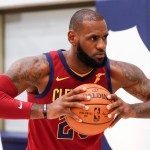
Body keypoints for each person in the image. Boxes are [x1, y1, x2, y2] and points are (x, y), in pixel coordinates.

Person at [0, 8, 149, 150]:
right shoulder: (39, 68)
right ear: (72, 38)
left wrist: (132, 110)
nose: (101, 45)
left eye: (104, 37)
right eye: (93, 38)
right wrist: (47, 110)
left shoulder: (116, 72)